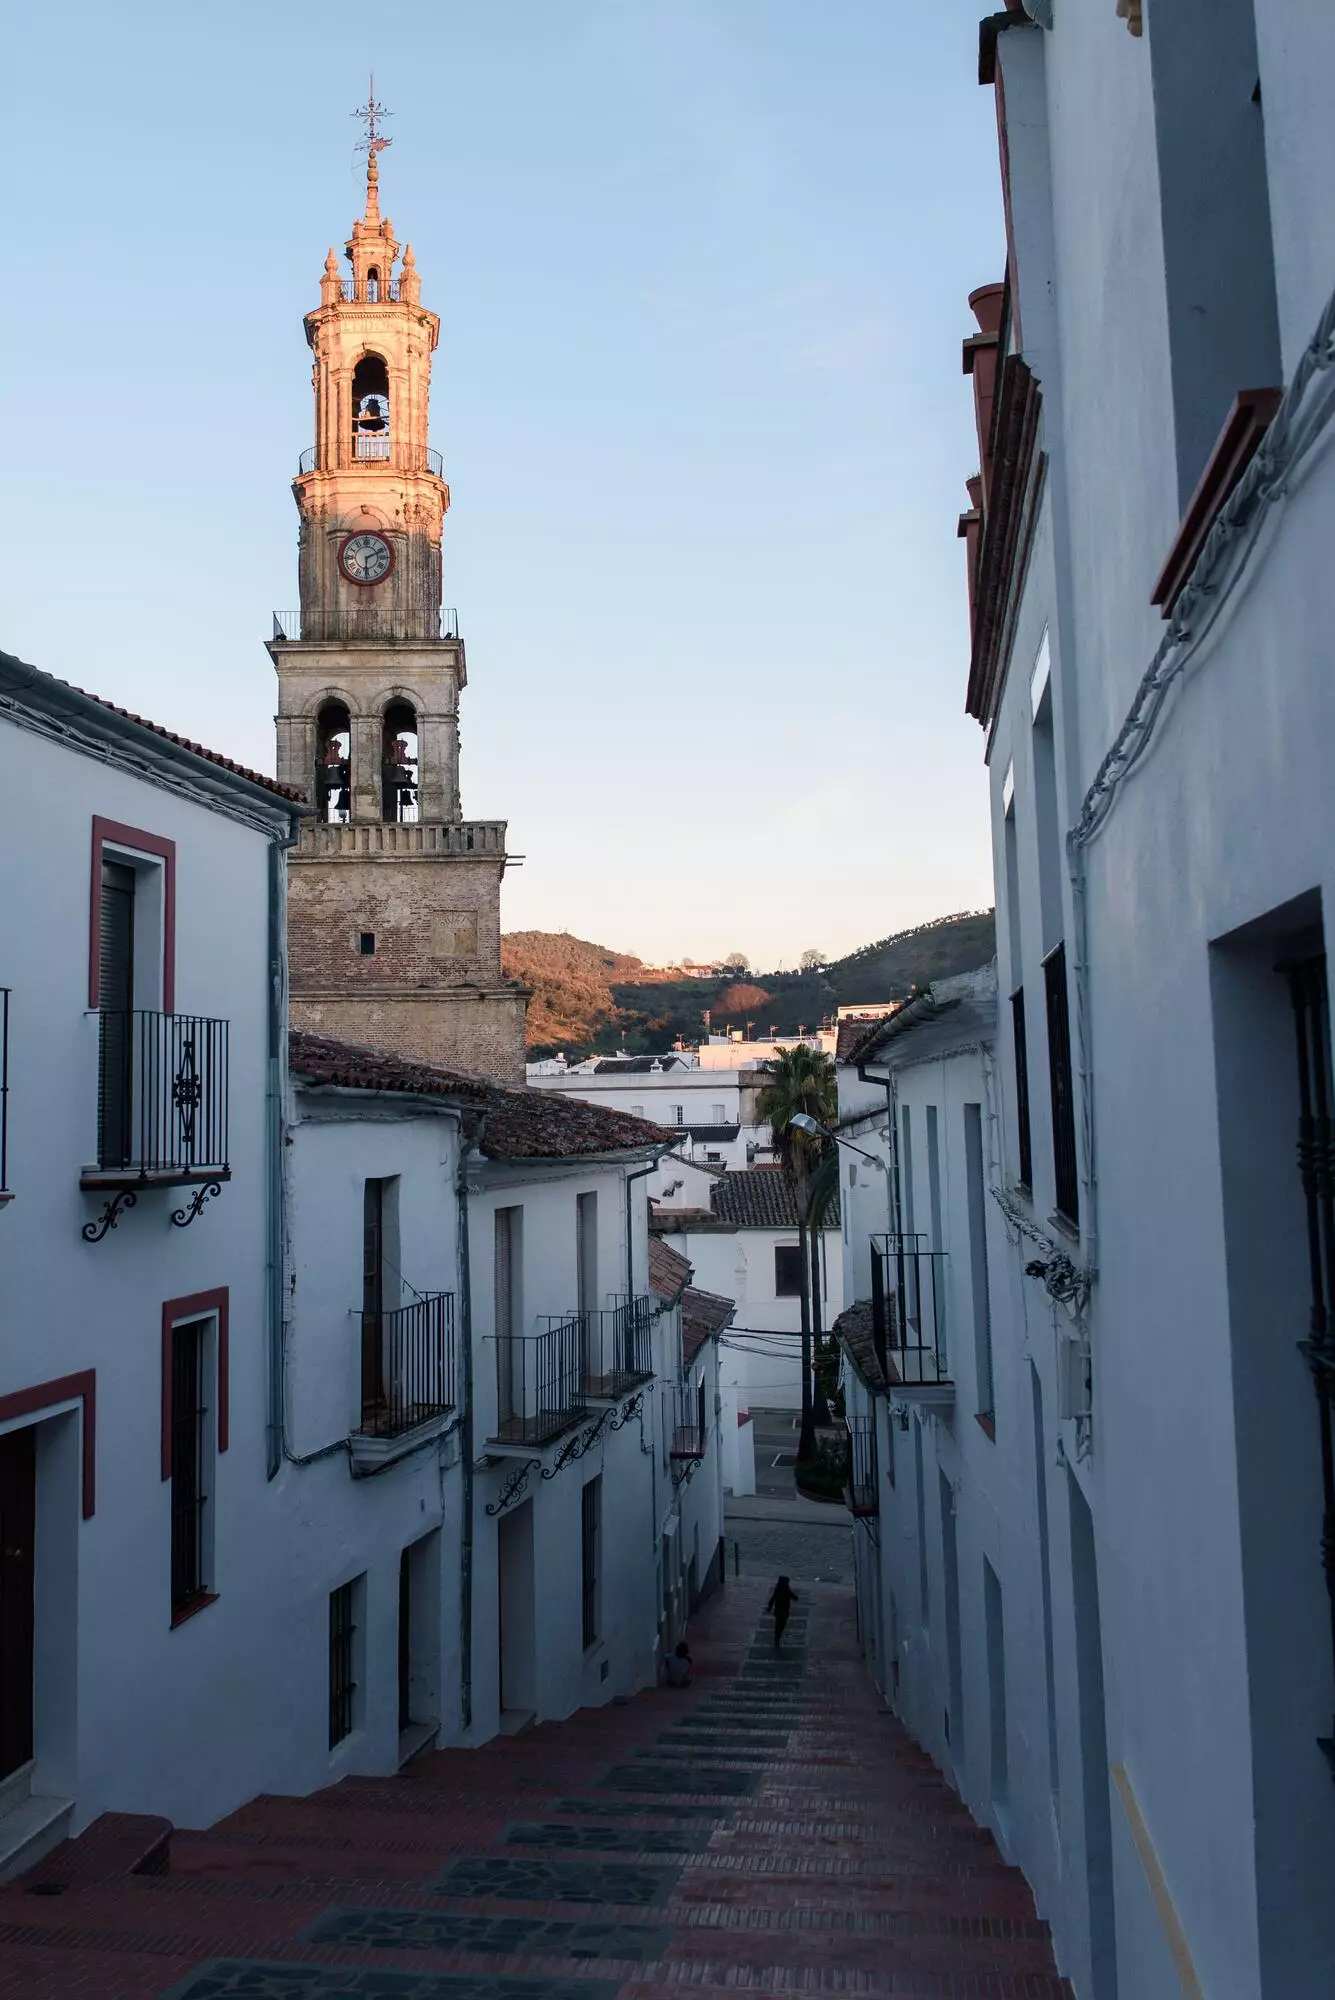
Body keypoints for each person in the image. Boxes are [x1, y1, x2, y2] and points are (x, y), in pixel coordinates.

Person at [766, 1575, 797, 1650]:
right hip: (784, 1609)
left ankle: (777, 1635)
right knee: (782, 1623)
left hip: (778, 1609)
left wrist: (769, 1607)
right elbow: (792, 1596)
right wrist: (795, 1598)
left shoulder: (778, 1589)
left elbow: (772, 1599)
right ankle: (777, 1635)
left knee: (778, 1623)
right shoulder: (785, 1589)